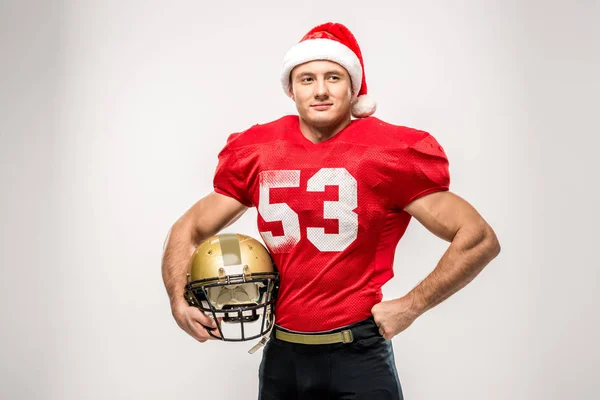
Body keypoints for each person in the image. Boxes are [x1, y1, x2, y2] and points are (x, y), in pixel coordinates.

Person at [161, 22, 501, 400]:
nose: (320, 90)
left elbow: (478, 237)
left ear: (353, 87)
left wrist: (411, 305)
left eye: (333, 77)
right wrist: (178, 300)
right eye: (307, 79)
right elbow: (187, 228)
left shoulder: (387, 152)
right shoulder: (260, 150)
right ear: (291, 89)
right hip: (282, 355)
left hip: (358, 355)